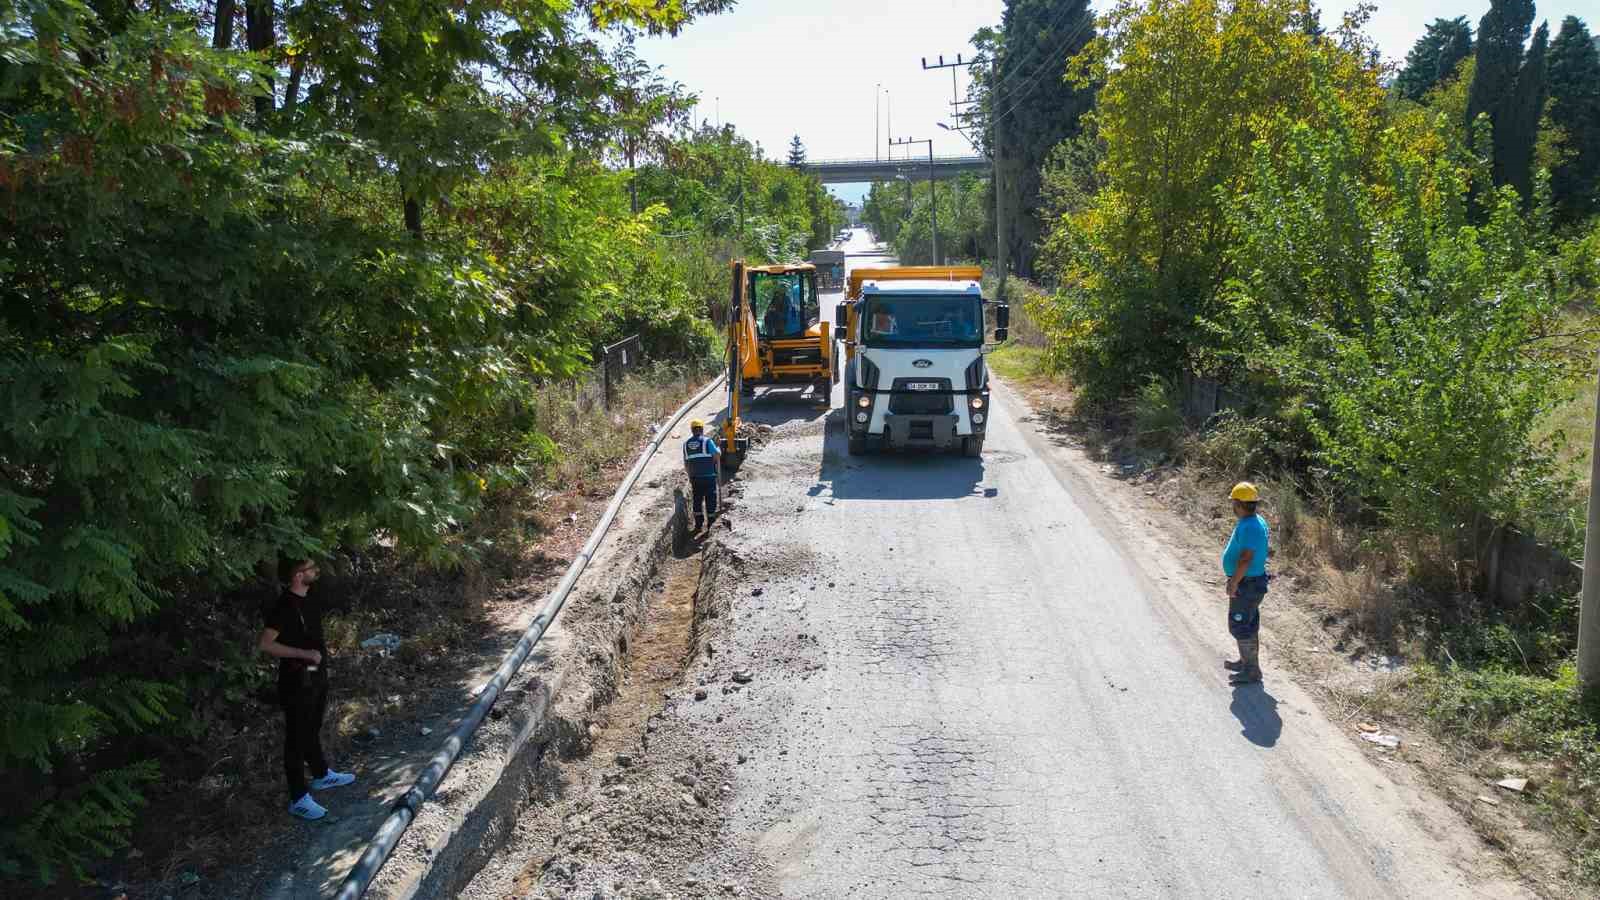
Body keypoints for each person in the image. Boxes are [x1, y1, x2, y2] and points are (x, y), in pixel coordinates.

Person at [259, 558, 356, 820]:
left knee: (312, 727)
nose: (317, 572)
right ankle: (298, 798)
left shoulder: (310, 599)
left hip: (316, 677)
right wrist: (302, 653)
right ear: (298, 575)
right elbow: (266, 644)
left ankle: (321, 774)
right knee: (296, 738)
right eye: (312, 569)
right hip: (295, 682)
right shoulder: (284, 606)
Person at [1221, 482, 1271, 685]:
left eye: (1234, 502)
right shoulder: (1255, 521)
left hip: (1247, 584)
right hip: (1251, 582)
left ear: (1239, 504)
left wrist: (1234, 582)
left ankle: (1251, 671)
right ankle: (1245, 662)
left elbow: (1245, 559)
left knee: (1241, 626)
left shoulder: (1250, 526)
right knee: (1248, 624)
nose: (1233, 506)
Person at [683, 418, 722, 531]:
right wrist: (718, 449)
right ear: (702, 429)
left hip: (695, 477)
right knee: (711, 499)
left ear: (692, 430)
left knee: (697, 499)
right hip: (709, 476)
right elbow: (716, 456)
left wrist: (691, 476)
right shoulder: (707, 441)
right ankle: (710, 523)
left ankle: (698, 524)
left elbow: (686, 464)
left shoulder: (686, 445)